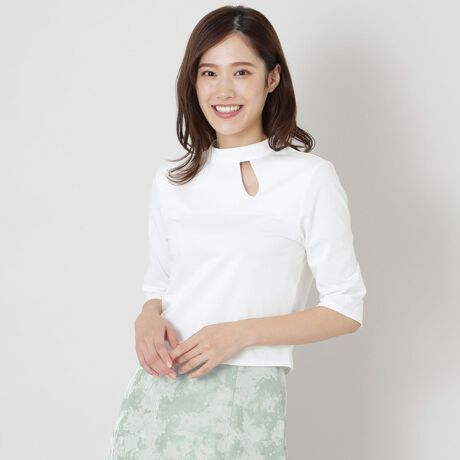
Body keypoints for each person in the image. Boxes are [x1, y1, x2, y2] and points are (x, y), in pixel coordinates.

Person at [108, 5, 366, 459]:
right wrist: (146, 318)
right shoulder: (171, 182)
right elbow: (159, 285)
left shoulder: (309, 179)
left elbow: (345, 309)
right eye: (209, 73)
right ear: (193, 82)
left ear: (272, 78)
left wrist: (240, 334)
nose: (223, 90)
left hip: (246, 399)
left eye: (241, 72)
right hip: (158, 394)